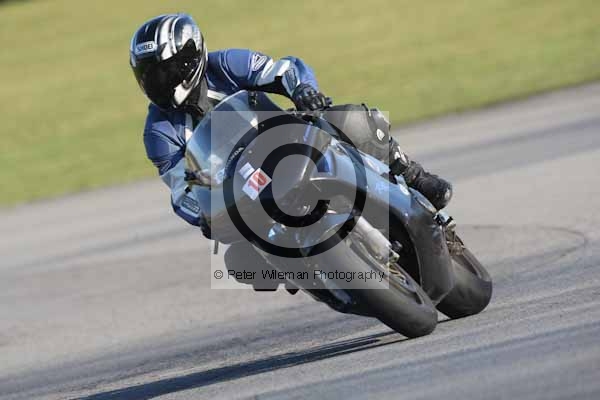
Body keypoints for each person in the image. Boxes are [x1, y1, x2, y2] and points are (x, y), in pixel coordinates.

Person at [129, 13, 453, 240]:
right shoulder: (158, 132)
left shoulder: (225, 64)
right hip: (247, 192)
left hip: (289, 140)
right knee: (239, 258)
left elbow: (282, 70)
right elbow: (181, 190)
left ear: (191, 56)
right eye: (149, 76)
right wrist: (202, 214)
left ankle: (412, 176)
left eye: (166, 71)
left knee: (348, 118)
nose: (158, 82)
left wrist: (303, 91)